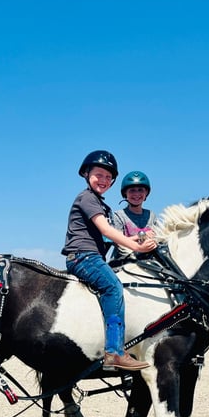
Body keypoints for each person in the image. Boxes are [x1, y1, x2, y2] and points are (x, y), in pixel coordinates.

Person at [62, 150, 157, 371]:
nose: (104, 180)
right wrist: (136, 246)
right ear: (86, 173)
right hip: (83, 256)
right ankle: (114, 352)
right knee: (113, 288)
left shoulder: (99, 203)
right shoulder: (87, 198)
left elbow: (107, 236)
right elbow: (107, 230)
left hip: (91, 255)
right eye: (99, 175)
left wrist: (138, 237)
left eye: (108, 177)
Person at [110, 170, 157, 261]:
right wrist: (142, 236)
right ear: (125, 194)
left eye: (140, 190)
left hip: (150, 262)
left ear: (146, 193)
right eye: (132, 190)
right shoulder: (119, 216)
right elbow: (119, 243)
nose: (136, 194)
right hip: (124, 262)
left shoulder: (151, 216)